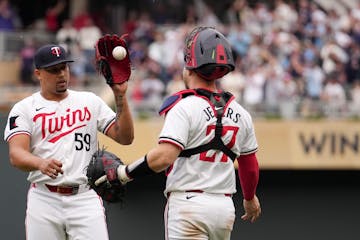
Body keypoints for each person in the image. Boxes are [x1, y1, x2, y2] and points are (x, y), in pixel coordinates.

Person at [98, 26, 261, 240]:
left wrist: (122, 174)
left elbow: (163, 157)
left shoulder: (184, 107)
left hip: (188, 205)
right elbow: (249, 166)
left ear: (190, 68)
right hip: (224, 208)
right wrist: (249, 198)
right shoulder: (241, 113)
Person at [3, 43, 134, 239]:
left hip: (84, 197)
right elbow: (16, 154)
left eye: (64, 67)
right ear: (38, 73)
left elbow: (125, 138)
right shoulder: (25, 108)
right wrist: (40, 163)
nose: (61, 74)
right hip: (44, 198)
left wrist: (120, 95)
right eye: (54, 70)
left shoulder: (90, 101)